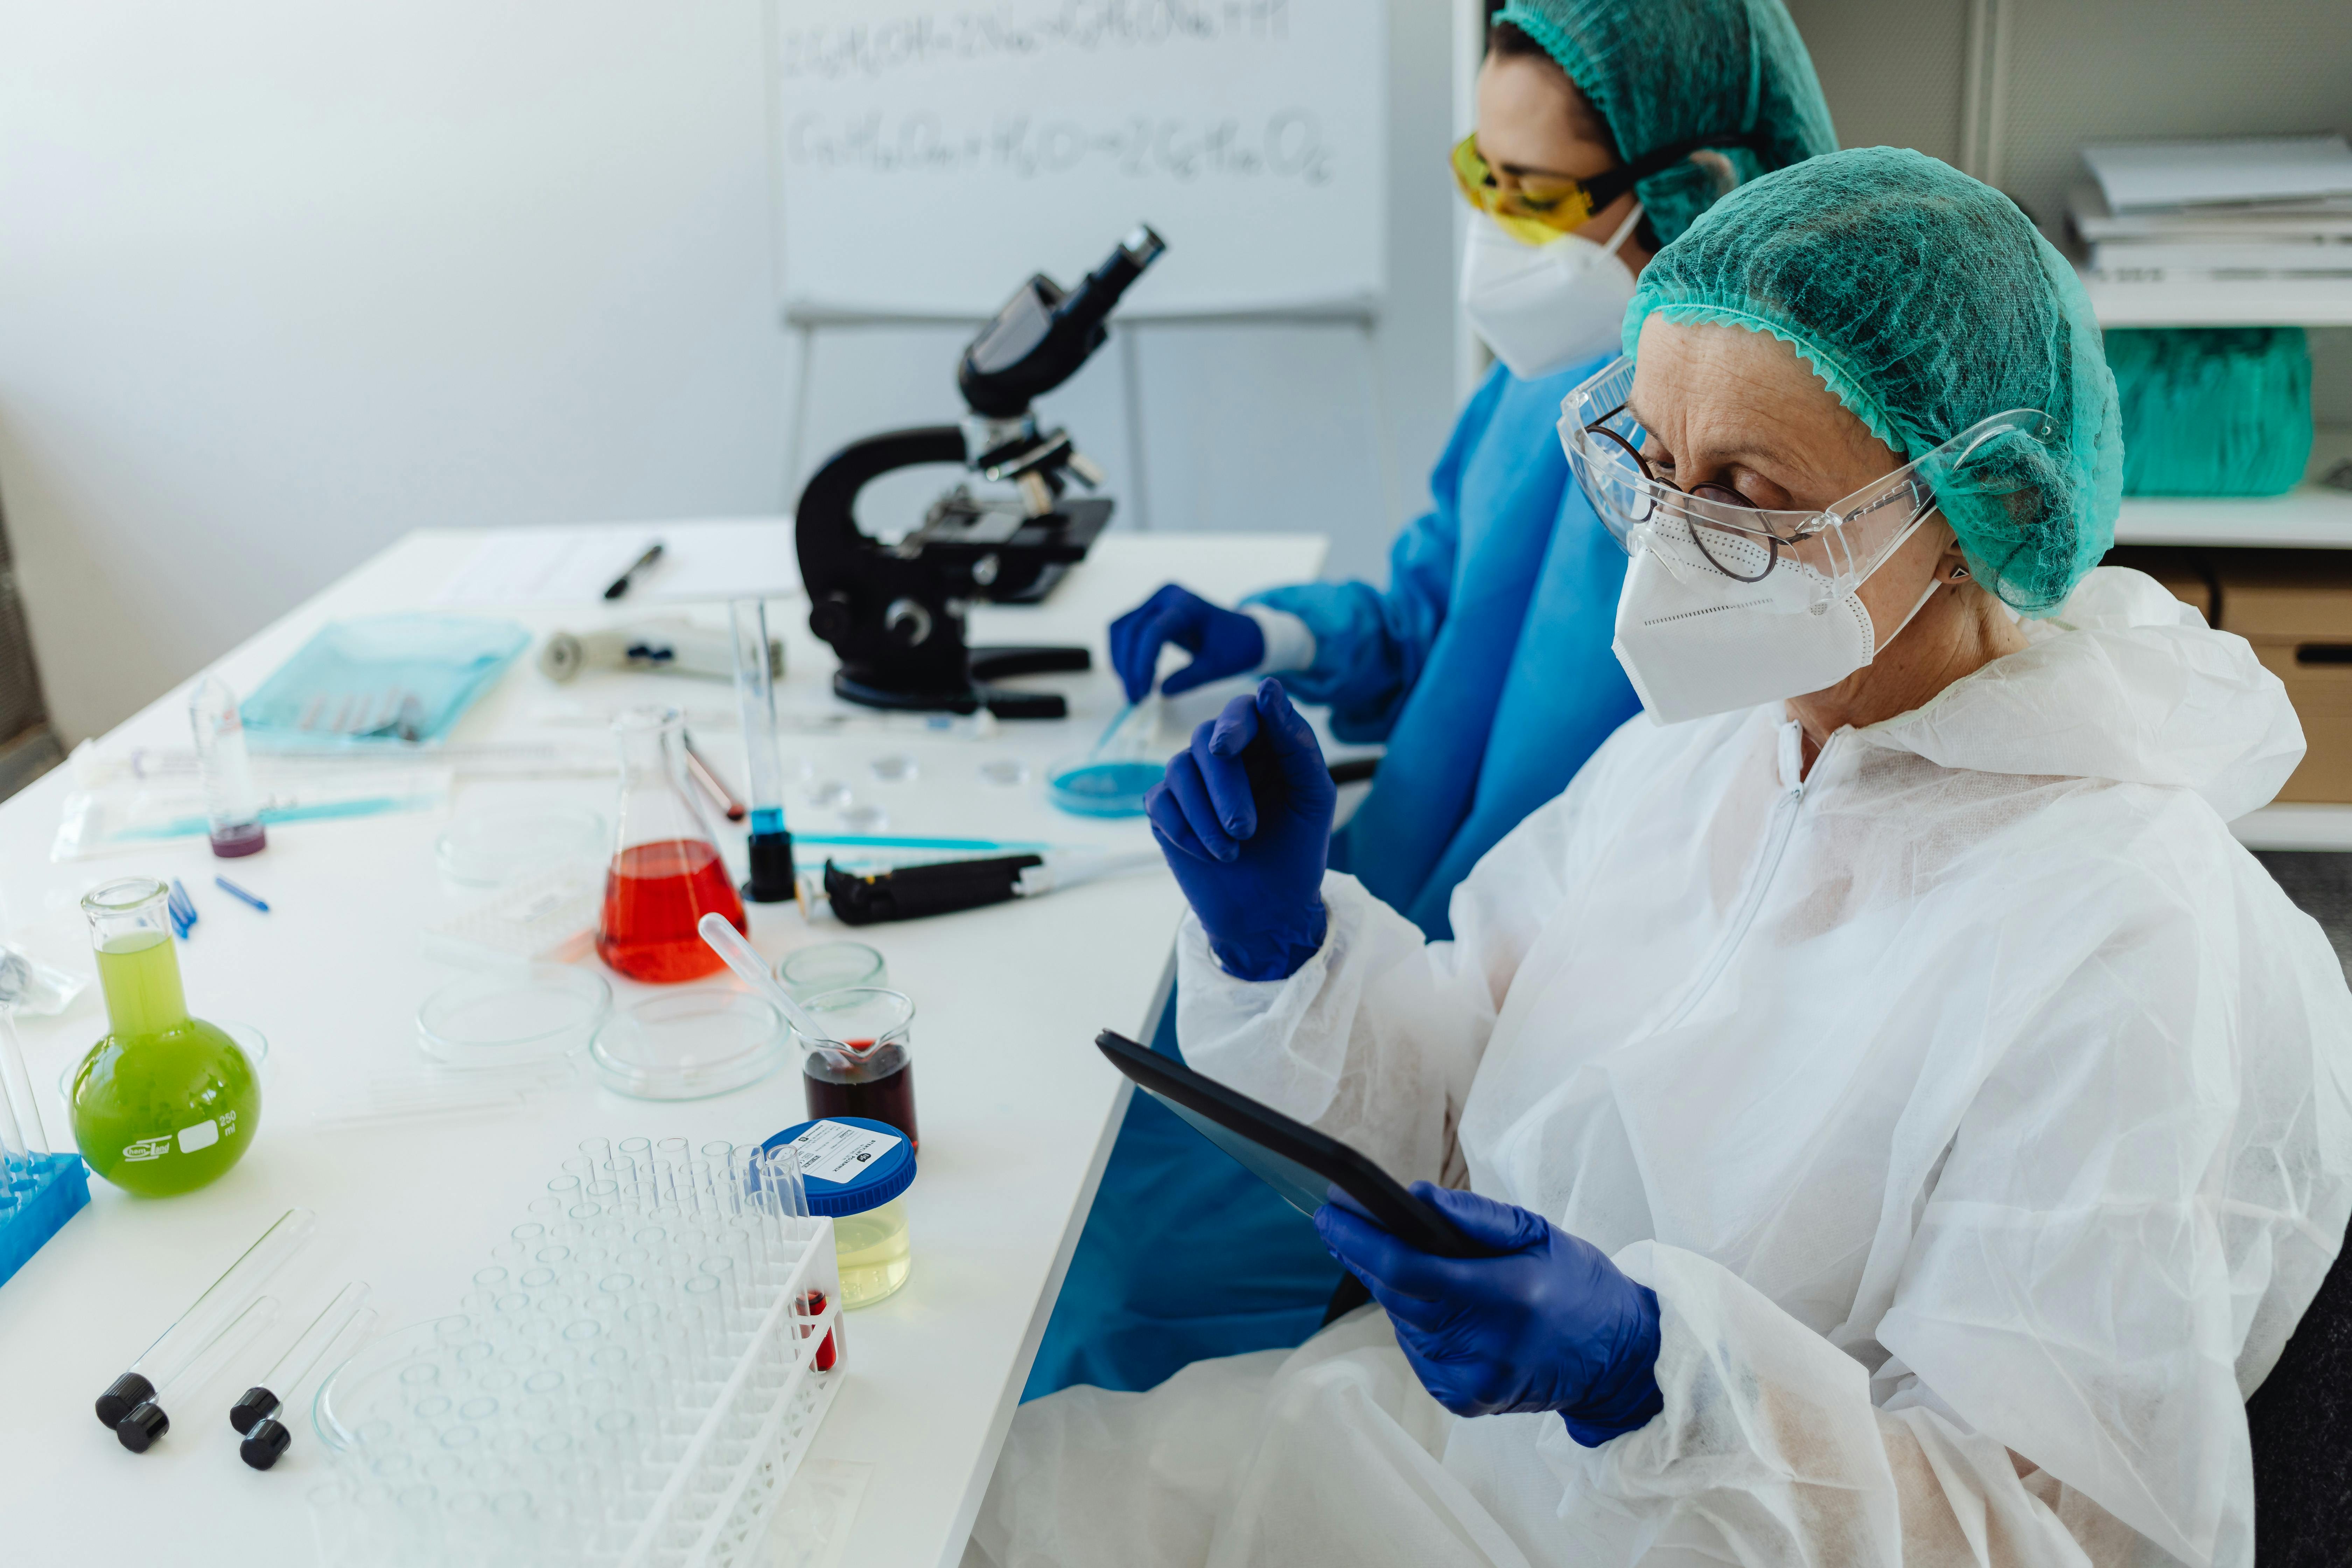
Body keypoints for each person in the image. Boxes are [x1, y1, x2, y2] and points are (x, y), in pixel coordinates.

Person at [970, 147, 2352, 1568]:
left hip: (1664, 1535)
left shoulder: (2123, 937)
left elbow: (2043, 1533)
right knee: (947, 1505)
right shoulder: (1716, 753)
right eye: (1653, 466)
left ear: (1967, 503)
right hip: (1419, 1451)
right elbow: (1463, 1110)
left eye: (1748, 490)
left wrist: (1656, 1381)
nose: (1675, 540)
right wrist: (1285, 947)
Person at [1030, 0, 1840, 1402]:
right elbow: (1422, 612)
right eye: (1479, 175)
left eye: (1529, 195)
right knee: (1052, 1219)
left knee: (1100, 1363)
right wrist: (1268, 631)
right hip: (1355, 962)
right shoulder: (1533, 399)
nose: (1491, 228)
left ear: (1691, 195)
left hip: (1517, 1048)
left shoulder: (1757, 497)